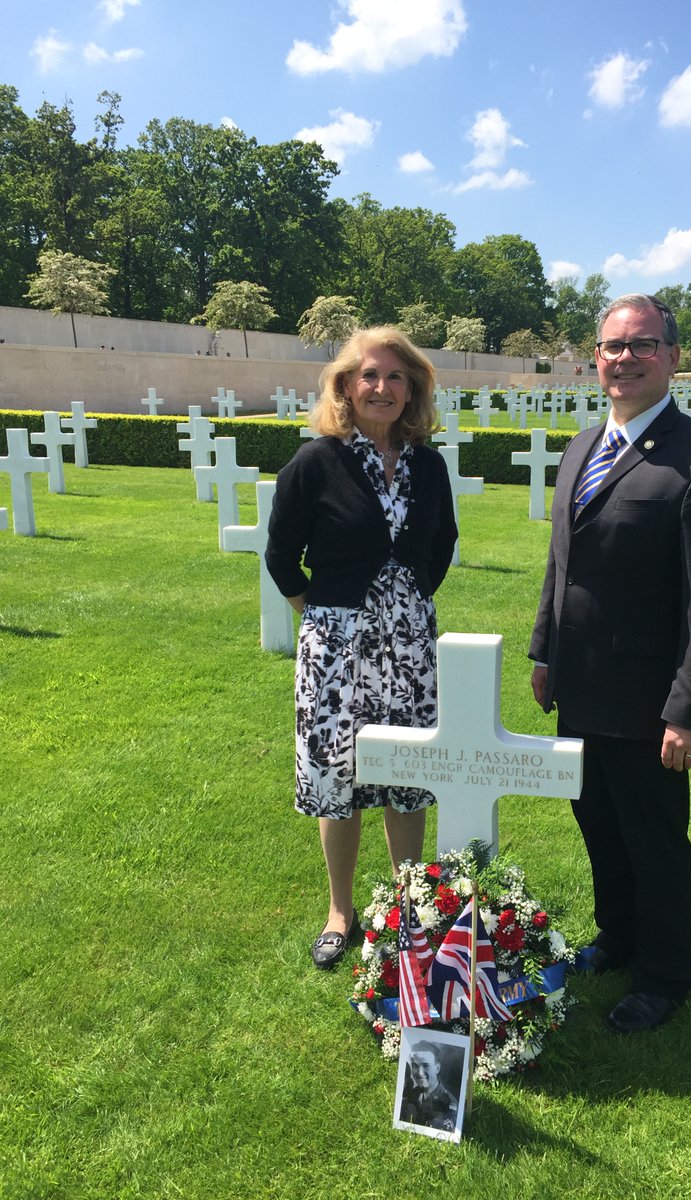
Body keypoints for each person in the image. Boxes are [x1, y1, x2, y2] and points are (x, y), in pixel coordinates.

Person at [529, 294, 691, 1033]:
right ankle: (618, 938)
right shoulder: (581, 447)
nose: (624, 358)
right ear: (596, 358)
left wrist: (690, 709)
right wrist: (542, 651)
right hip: (580, 687)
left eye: (642, 345)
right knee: (598, 826)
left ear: (673, 357)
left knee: (653, 839)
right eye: (612, 346)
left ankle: (664, 975)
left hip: (647, 696)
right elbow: (560, 564)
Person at [265, 327, 457, 969]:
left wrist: (408, 601)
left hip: (410, 647)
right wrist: (323, 614)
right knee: (337, 778)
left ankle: (410, 905)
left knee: (409, 775)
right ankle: (340, 910)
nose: (382, 388)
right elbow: (280, 553)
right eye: (369, 376)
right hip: (336, 651)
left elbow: (444, 541)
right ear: (346, 386)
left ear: (414, 390)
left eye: (396, 377)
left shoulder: (428, 465)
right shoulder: (317, 461)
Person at [399, 1042, 459, 1132]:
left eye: (426, 1066)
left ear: (437, 1068)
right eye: (415, 1066)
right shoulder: (411, 1094)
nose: (420, 1073)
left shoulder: (449, 1104)